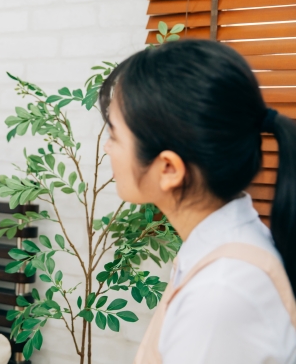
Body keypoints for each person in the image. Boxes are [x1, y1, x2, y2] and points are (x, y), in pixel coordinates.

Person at [99, 39, 296, 364]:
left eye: (115, 135)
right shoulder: (216, 254)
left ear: (168, 168)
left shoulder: (221, 292)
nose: (107, 148)